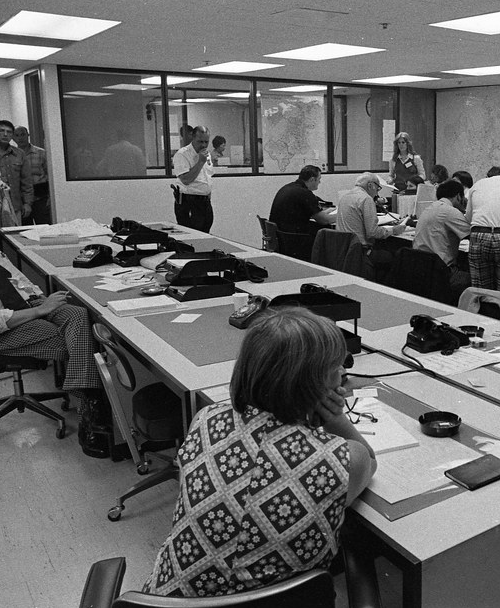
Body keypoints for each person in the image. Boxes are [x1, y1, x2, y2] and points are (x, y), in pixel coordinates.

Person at [143, 307, 376, 598]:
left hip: (168, 602)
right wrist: (335, 419)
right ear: (311, 384)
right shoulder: (343, 460)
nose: (344, 373)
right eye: (336, 368)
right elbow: (369, 460)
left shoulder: (206, 419)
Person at [0, 259, 105, 451]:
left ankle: (89, 398)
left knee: (78, 315)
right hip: (7, 327)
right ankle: (89, 414)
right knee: (80, 343)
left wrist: (40, 300)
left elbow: (19, 282)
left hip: (29, 304)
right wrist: (40, 310)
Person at [336, 172, 407, 277]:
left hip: (344, 250)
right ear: (370, 185)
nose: (377, 193)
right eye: (377, 188)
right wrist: (394, 230)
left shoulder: (345, 197)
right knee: (396, 257)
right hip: (361, 252)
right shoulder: (366, 199)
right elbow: (372, 233)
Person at [413, 179, 472, 294]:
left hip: (421, 267)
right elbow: (472, 236)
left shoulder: (430, 208)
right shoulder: (450, 211)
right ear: (458, 197)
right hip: (442, 271)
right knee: (478, 280)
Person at [269, 165, 335, 258]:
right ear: (312, 179)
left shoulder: (289, 187)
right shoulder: (304, 193)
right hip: (294, 237)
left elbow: (301, 212)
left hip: (282, 234)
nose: (319, 182)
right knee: (327, 230)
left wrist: (326, 212)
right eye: (319, 179)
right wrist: (341, 214)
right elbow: (324, 220)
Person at [172, 125, 214, 232]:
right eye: (200, 141)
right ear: (193, 138)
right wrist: (200, 162)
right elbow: (186, 180)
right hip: (189, 201)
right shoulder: (182, 155)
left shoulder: (206, 154)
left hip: (205, 201)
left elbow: (207, 177)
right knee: (192, 235)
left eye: (206, 142)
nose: (203, 145)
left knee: (205, 234)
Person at [13, 126, 50, 224]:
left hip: (41, 198)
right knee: (25, 230)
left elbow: (50, 176)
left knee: (44, 228)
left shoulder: (41, 153)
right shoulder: (12, 156)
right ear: (13, 138)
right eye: (17, 135)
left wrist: (51, 197)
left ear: (28, 135)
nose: (20, 138)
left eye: (23, 134)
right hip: (22, 200)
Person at [0, 119, 33, 224]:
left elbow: (26, 182)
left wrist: (28, 203)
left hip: (14, 205)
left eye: (9, 132)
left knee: (13, 237)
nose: (5, 134)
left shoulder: (19, 154)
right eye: (2, 131)